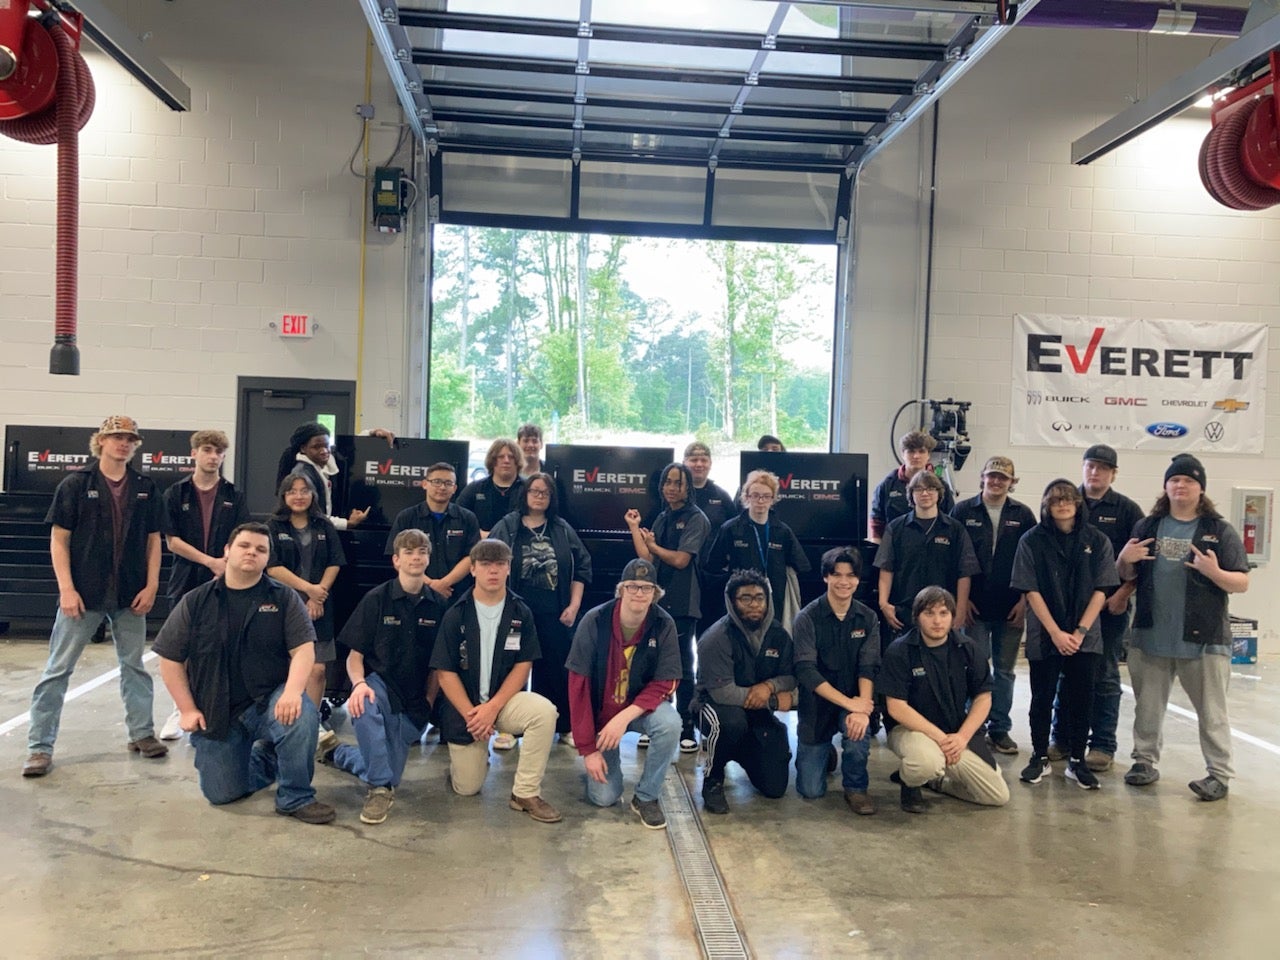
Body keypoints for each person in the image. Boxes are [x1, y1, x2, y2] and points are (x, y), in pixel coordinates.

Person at [153, 522, 334, 824]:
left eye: (261, 549)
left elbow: (304, 650)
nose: (252, 552)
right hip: (218, 709)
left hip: (270, 700)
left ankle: (295, 796)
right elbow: (170, 660)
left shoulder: (284, 598)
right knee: (221, 793)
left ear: (268, 558)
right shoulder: (196, 601)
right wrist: (187, 709)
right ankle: (267, 758)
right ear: (227, 551)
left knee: (302, 714)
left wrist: (292, 692)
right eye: (244, 546)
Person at [23, 415, 167, 778]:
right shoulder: (75, 484)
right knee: (57, 670)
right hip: (83, 595)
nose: (124, 443)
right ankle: (39, 747)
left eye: (130, 438)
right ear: (101, 440)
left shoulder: (146, 487)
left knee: (134, 667)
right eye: (116, 436)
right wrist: (66, 589)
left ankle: (142, 733)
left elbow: (154, 541)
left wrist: (151, 585)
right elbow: (59, 540)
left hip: (131, 595)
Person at [1117, 455, 1249, 801]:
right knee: (1147, 709)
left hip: (1204, 640)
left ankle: (1218, 775)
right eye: (1174, 480)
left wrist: (1214, 573)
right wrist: (1123, 561)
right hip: (1151, 635)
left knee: (1212, 713)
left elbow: (1241, 582)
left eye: (1189, 481)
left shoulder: (1219, 531)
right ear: (1165, 486)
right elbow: (1127, 575)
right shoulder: (1147, 526)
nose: (1181, 486)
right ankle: (1144, 762)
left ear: (1200, 488)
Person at [430, 539, 561, 823]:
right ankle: (471, 759)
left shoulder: (520, 612)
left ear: (508, 568)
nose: (493, 570)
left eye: (500, 564)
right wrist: (474, 715)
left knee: (544, 712)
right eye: (486, 564)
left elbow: (523, 665)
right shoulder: (456, 613)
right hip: (466, 710)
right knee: (467, 788)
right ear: (473, 569)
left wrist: (492, 708)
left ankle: (525, 793)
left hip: (503, 703)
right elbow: (444, 672)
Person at [325, 528, 447, 825]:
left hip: (415, 699)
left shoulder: (439, 605)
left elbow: (438, 667)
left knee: (391, 771)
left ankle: (338, 753)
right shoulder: (376, 600)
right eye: (409, 552)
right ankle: (378, 790)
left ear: (428, 559)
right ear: (396, 560)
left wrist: (429, 702)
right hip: (380, 686)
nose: (416, 557)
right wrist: (359, 684)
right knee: (364, 706)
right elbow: (354, 657)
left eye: (422, 552)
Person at [1011, 480, 1117, 790]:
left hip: (1085, 636)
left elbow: (1102, 589)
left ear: (1078, 503)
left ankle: (1077, 761)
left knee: (1082, 698)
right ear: (1046, 505)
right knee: (1042, 698)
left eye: (1068, 499)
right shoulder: (1031, 540)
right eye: (1056, 500)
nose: (1063, 504)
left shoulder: (1097, 540)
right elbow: (1030, 589)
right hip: (1046, 635)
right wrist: (1055, 632)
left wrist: (1080, 631)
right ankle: (1039, 757)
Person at [565, 558, 683, 829]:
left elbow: (667, 681)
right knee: (604, 797)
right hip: (602, 714)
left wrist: (624, 717)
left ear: (655, 593)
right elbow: (578, 686)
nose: (639, 593)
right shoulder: (594, 621)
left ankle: (646, 796)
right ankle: (604, 761)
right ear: (621, 590)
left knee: (670, 724)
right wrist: (588, 749)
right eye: (632, 586)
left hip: (639, 710)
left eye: (647, 588)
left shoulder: (663, 624)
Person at [879, 586, 1010, 812]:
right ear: (917, 617)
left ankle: (936, 782)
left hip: (955, 733)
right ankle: (911, 782)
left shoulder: (968, 648)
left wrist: (961, 738)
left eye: (943, 613)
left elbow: (983, 697)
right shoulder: (900, 651)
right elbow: (896, 707)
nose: (937, 621)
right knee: (926, 762)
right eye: (929, 613)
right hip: (911, 731)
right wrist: (941, 739)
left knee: (997, 794)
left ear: (952, 616)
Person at [158, 429, 249, 741]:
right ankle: (179, 709)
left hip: (225, 578)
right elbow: (172, 541)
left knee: (220, 644)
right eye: (208, 450)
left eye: (219, 452)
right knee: (181, 647)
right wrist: (210, 562)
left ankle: (218, 708)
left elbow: (241, 537)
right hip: (186, 577)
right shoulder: (175, 494)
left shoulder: (234, 495)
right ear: (194, 453)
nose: (214, 457)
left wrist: (225, 565)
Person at [1059, 443, 1145, 771]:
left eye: (1103, 468)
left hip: (1110, 608)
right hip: (1070, 608)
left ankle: (1103, 744)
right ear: (1083, 467)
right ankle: (1062, 738)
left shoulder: (1128, 511)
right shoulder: (1065, 501)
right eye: (1090, 466)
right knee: (1067, 673)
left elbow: (1142, 561)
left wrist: (1123, 593)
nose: (1095, 472)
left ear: (1114, 474)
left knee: (1105, 675)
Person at [490, 473, 592, 747]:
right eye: (534, 491)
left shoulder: (561, 528)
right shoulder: (508, 526)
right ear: (524, 494)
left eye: (545, 493)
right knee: (510, 668)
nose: (539, 496)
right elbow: (490, 562)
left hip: (554, 613)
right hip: (514, 612)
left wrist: (574, 606)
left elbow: (582, 568)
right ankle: (508, 729)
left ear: (551, 498)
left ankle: (562, 726)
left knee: (556, 670)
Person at [950, 456, 1035, 755]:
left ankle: (1000, 729)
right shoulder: (963, 511)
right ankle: (973, 728)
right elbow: (953, 559)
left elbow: (1032, 562)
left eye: (1003, 477)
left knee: (1005, 671)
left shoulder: (1023, 515)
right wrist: (962, 602)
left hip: (1011, 607)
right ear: (983, 477)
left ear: (1012, 482)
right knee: (973, 668)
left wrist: (1024, 601)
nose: (997, 481)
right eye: (992, 476)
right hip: (973, 608)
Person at [694, 569, 796, 815]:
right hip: (714, 708)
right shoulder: (717, 637)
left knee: (775, 788)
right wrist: (772, 701)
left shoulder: (779, 635)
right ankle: (713, 779)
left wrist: (769, 687)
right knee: (732, 722)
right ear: (732, 602)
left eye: (760, 597)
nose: (754, 604)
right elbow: (723, 693)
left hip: (756, 713)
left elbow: (791, 676)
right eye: (745, 598)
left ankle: (741, 751)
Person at [624, 462, 709, 752]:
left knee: (683, 665)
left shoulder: (696, 518)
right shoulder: (662, 517)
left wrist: (654, 546)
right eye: (667, 482)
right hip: (656, 603)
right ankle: (653, 722)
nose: (671, 487)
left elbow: (681, 560)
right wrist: (634, 529)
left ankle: (687, 727)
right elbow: (647, 559)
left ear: (688, 487)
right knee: (652, 664)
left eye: (677, 482)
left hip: (684, 604)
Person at [793, 547, 880, 815]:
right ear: (826, 577)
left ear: (858, 579)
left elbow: (868, 666)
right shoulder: (807, 618)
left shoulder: (868, 617)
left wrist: (862, 707)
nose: (844, 581)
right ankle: (826, 752)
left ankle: (856, 787)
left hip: (854, 699)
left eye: (850, 575)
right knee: (810, 790)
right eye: (837, 575)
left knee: (857, 733)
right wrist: (850, 704)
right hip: (817, 704)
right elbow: (806, 671)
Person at [265, 473, 346, 716]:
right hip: (284, 604)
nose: (298, 496)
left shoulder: (324, 525)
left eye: (304, 491)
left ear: (313, 495)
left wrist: (317, 595)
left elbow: (335, 562)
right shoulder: (273, 526)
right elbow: (273, 567)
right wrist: (308, 589)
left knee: (317, 670)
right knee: (287, 666)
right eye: (292, 491)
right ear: (283, 496)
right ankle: (285, 716)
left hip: (319, 604)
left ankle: (312, 720)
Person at [874, 470, 979, 638]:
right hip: (904, 612)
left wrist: (960, 610)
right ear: (911, 494)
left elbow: (964, 572)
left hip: (942, 613)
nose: (925, 493)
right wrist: (884, 603)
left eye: (930, 488)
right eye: (918, 489)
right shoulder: (896, 528)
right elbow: (886, 567)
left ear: (939, 493)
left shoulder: (955, 529)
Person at [701, 469, 810, 629]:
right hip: (740, 600)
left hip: (774, 601)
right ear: (746, 497)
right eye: (755, 495)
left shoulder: (782, 531)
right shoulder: (731, 529)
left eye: (766, 496)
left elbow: (802, 565)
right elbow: (713, 565)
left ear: (773, 499)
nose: (760, 501)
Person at [384, 461, 479, 599]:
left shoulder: (468, 518)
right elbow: (396, 556)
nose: (442, 487)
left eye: (448, 483)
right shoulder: (407, 518)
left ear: (454, 488)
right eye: (436, 482)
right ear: (424, 484)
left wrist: (444, 583)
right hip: (415, 594)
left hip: (456, 594)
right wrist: (430, 585)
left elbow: (472, 556)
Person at [275, 421, 392, 530]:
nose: (324, 451)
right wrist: (348, 523)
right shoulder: (302, 476)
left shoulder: (322, 462)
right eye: (316, 447)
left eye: (327, 445)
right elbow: (313, 516)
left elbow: (346, 449)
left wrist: (372, 433)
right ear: (303, 448)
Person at [683, 441, 735, 643]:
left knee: (710, 633)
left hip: (713, 577)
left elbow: (735, 530)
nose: (699, 464)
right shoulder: (676, 495)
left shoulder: (721, 496)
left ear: (710, 463)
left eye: (703, 460)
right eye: (693, 459)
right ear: (684, 462)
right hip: (683, 575)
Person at [869, 430, 955, 543]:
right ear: (902, 454)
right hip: (896, 545)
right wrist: (877, 550)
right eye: (911, 451)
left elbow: (950, 520)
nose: (916, 456)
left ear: (928, 455)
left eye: (921, 451)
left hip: (932, 546)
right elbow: (877, 522)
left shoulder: (941, 486)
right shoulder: (887, 485)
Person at [457, 438, 526, 537]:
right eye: (501, 457)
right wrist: (477, 533)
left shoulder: (528, 489)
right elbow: (458, 516)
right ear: (493, 461)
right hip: (481, 542)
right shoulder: (475, 489)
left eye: (511, 457)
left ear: (517, 461)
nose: (506, 460)